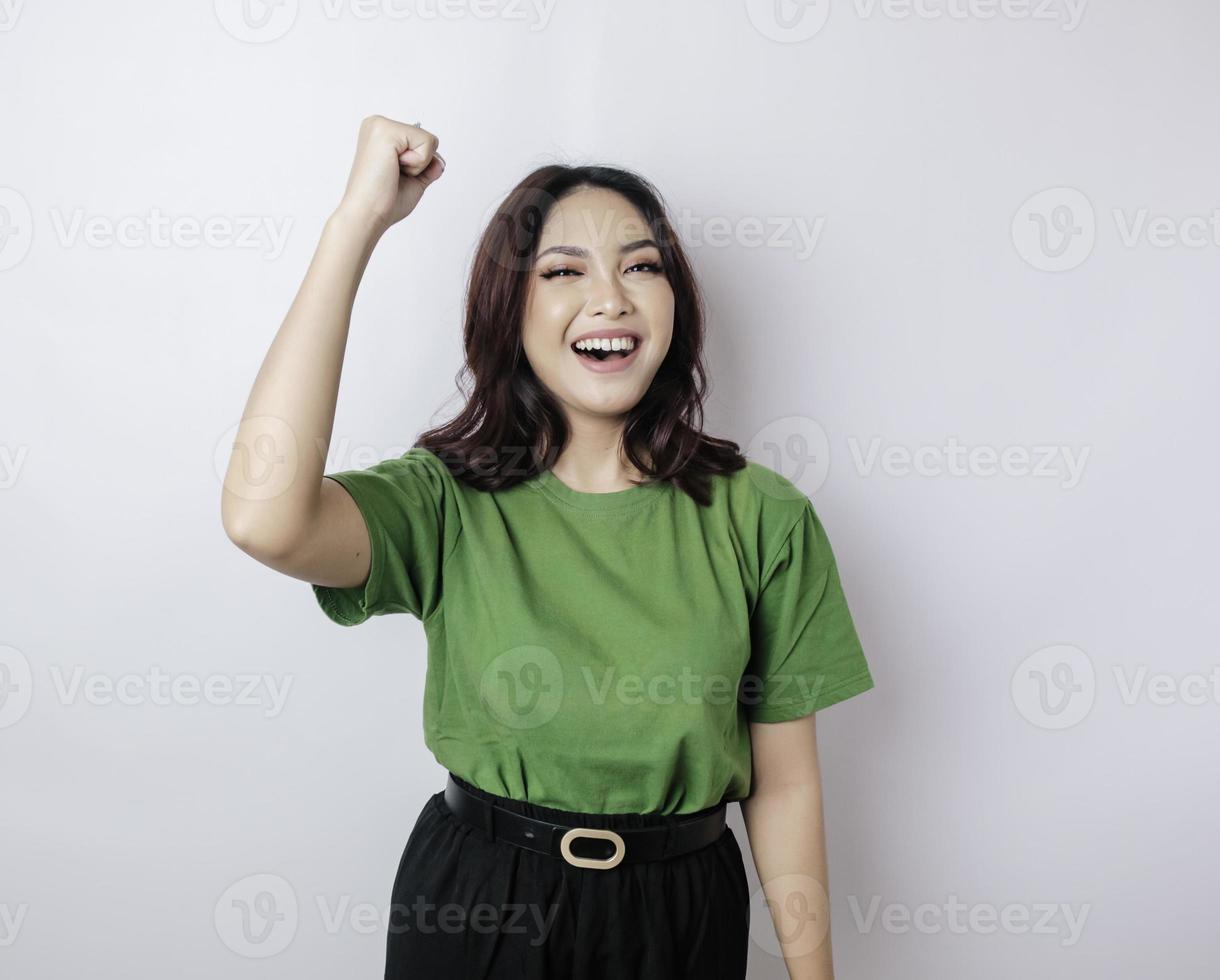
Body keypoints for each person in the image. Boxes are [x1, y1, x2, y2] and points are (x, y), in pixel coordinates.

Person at [221, 114, 876, 980]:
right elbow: (265, 518)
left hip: (682, 914)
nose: (610, 298)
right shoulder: (446, 500)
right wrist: (356, 225)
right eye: (564, 272)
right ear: (510, 310)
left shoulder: (762, 518)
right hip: (479, 903)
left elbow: (785, 784)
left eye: (641, 266)